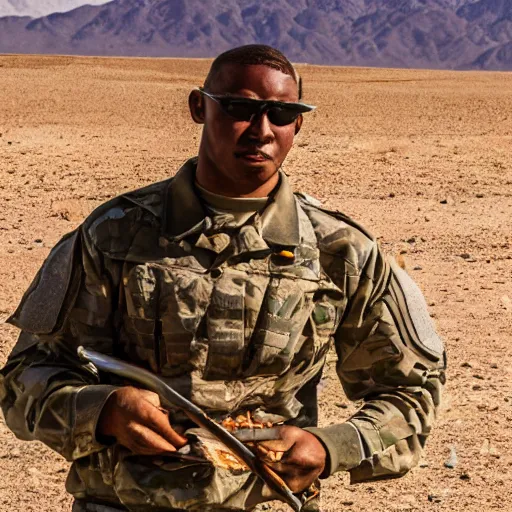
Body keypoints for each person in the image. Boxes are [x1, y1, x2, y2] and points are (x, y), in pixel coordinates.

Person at [0, 44, 446, 512]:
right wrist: (103, 410)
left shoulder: (341, 251)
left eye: (280, 113)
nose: (261, 130)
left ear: (298, 124)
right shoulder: (114, 234)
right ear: (199, 107)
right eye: (239, 108)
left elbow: (412, 391)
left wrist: (333, 446)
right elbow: (26, 376)